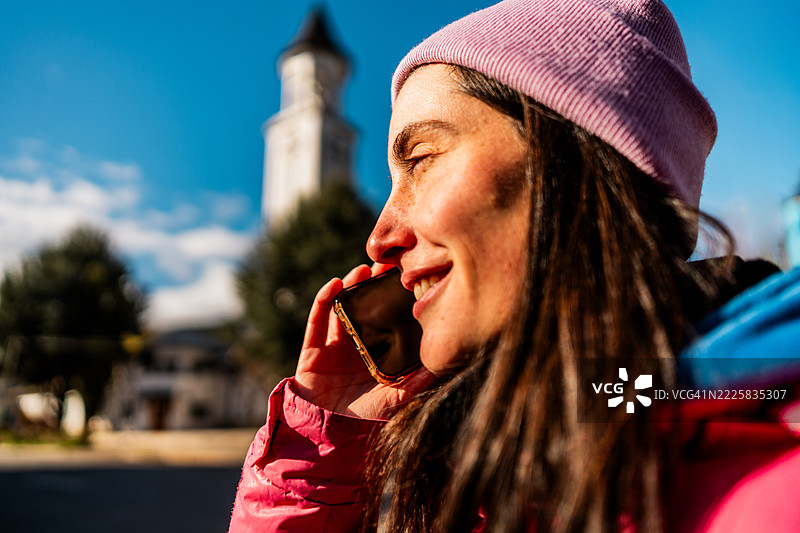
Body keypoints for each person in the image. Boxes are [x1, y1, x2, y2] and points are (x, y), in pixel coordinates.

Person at [229, 1, 800, 531]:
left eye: (421, 159)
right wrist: (321, 452)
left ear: (574, 159)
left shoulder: (774, 492)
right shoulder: (545, 436)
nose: (379, 237)